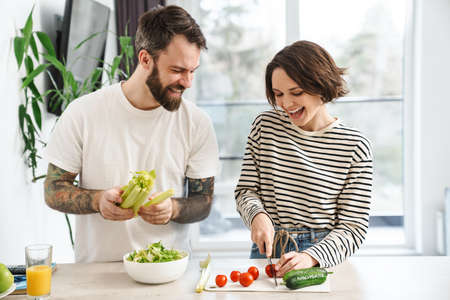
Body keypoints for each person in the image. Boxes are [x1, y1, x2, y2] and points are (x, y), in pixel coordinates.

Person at [43, 5, 219, 263]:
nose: (187, 82)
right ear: (146, 59)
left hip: (167, 271)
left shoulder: (197, 123)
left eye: (192, 71)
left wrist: (172, 208)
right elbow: (52, 189)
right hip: (97, 274)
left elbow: (203, 200)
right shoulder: (83, 112)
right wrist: (98, 200)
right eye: (178, 70)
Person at [235, 40, 373, 276]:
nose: (286, 104)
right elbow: (246, 190)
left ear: (321, 85)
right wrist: (257, 216)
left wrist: (311, 257)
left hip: (322, 255)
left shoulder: (355, 147)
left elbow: (353, 228)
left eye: (296, 92)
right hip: (270, 248)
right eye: (278, 94)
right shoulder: (265, 127)